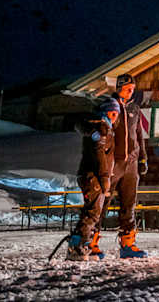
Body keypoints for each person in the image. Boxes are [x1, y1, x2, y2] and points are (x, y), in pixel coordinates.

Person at [67, 97, 118, 261]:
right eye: (112, 112)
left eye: (116, 113)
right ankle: (77, 247)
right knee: (93, 213)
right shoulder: (102, 128)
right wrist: (105, 179)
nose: (114, 116)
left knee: (90, 211)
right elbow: (100, 155)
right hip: (93, 177)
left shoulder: (102, 128)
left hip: (91, 176)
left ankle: (81, 243)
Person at [111, 74, 149, 258]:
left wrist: (143, 158)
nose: (130, 91)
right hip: (113, 162)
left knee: (129, 203)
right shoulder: (111, 106)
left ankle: (128, 243)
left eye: (132, 88)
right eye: (127, 88)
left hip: (132, 163)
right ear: (119, 87)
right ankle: (91, 241)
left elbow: (139, 136)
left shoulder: (135, 109)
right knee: (102, 202)